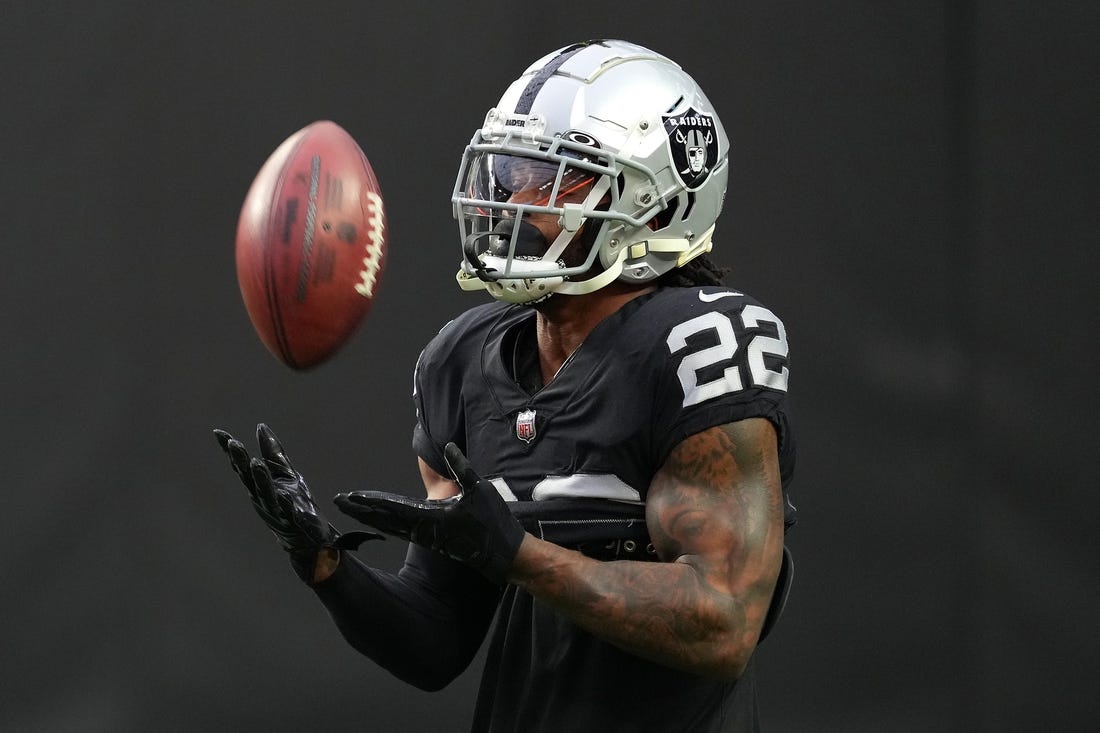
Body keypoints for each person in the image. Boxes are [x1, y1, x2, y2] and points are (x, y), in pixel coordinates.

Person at [216, 38, 797, 732]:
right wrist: (322, 562)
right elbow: (433, 638)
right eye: (510, 171)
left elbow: (723, 620)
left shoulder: (696, 346)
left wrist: (519, 554)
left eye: (548, 176)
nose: (509, 198)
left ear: (653, 202)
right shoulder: (463, 361)